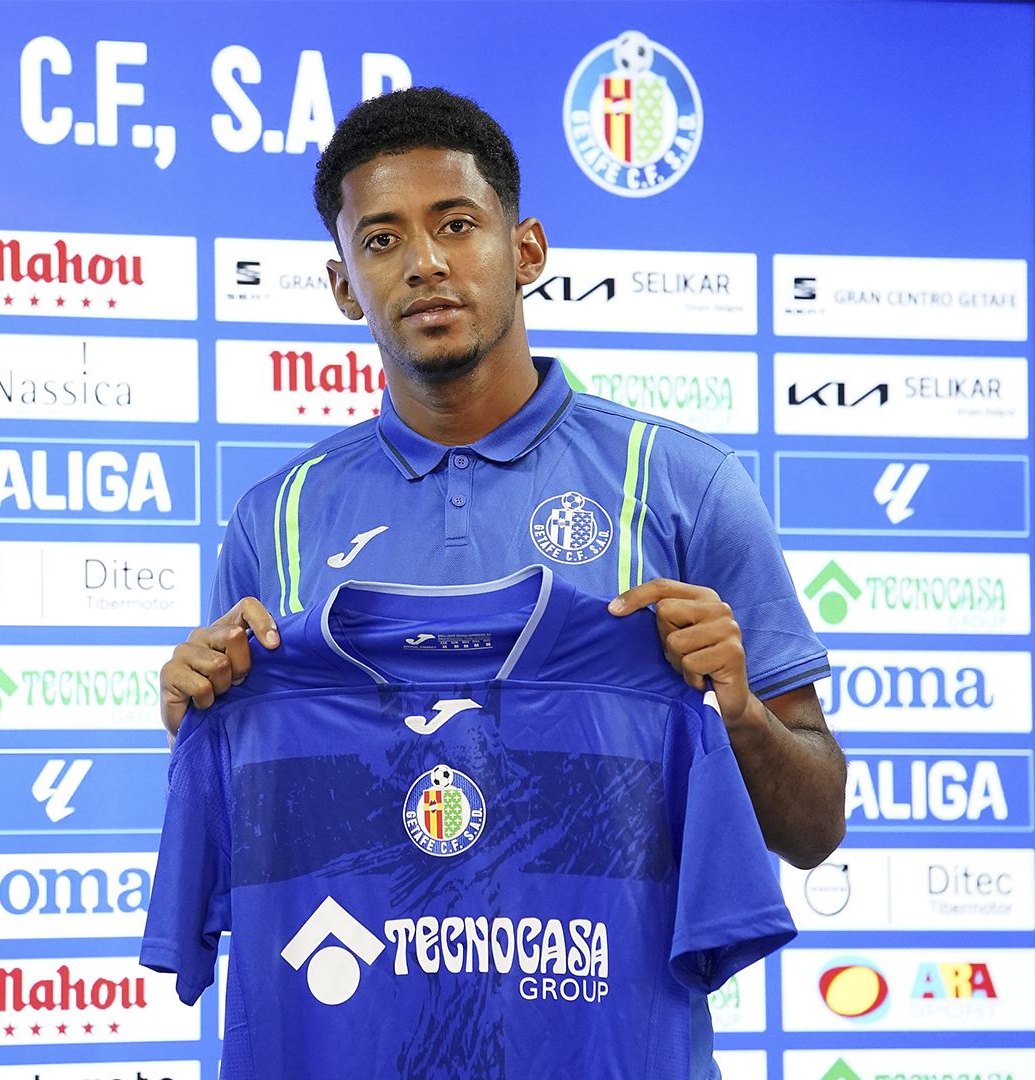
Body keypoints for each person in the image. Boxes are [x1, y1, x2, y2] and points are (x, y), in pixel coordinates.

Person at [160, 86, 846, 871]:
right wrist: (196, 726)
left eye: (456, 224)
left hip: (609, 989)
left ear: (527, 251)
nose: (425, 263)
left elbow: (815, 830)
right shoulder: (274, 517)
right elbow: (247, 837)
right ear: (345, 285)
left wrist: (741, 716)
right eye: (381, 241)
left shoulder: (686, 483)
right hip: (360, 983)